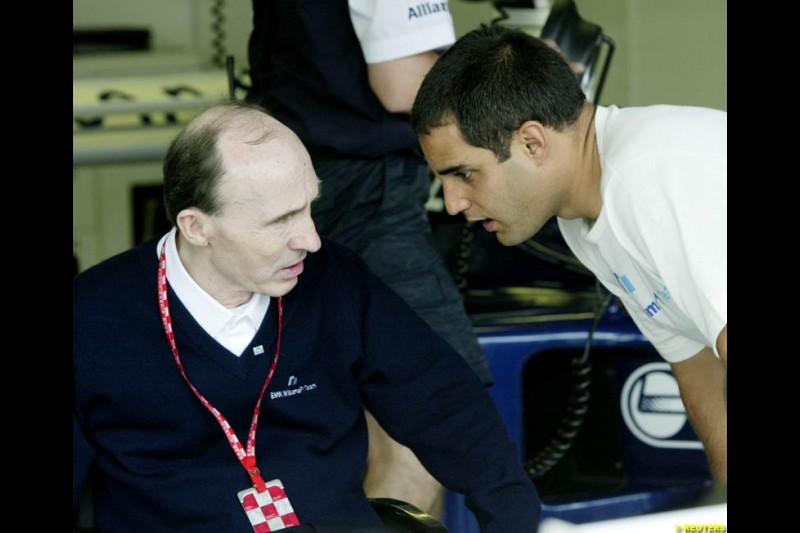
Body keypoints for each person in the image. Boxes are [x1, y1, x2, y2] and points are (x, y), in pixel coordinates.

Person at [72, 101, 541, 533]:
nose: (311, 240)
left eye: (310, 207)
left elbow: (443, 403)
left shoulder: (334, 280)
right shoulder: (91, 320)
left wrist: (511, 518)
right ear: (197, 227)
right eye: (281, 220)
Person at [411, 24, 727, 482]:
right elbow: (698, 367)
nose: (454, 201)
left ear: (532, 142)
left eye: (464, 173)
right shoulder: (582, 214)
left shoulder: (644, 180)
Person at [245, 0, 492, 518]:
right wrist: (515, 72)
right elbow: (403, 83)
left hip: (305, 184)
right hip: (368, 197)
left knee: (345, 437)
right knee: (423, 441)